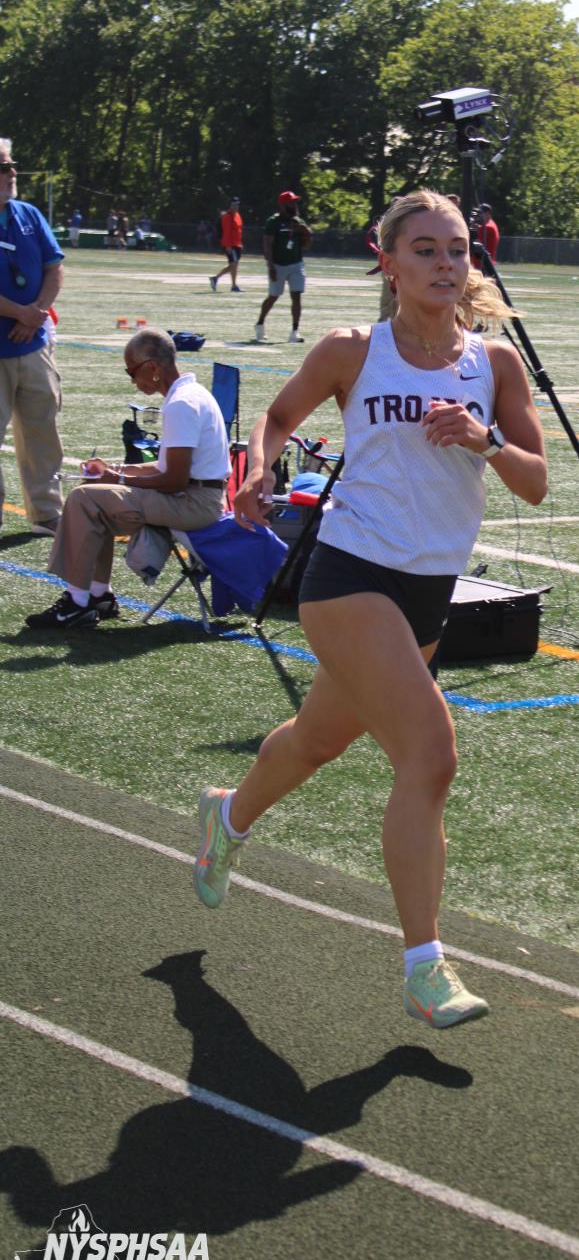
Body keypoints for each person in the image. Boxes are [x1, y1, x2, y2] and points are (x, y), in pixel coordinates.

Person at [194, 190, 548, 1029]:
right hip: (349, 576)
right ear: (387, 262)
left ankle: (227, 817)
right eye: (425, 249)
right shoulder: (354, 349)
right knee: (431, 756)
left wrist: (485, 439)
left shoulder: (495, 364)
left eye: (456, 249)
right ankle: (425, 967)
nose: (445, 264)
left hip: (428, 593)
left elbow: (535, 482)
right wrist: (258, 470)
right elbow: (278, 418)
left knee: (316, 741)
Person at [24, 327, 229, 629]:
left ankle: (77, 602)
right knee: (92, 491)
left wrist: (118, 480)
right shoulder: (190, 395)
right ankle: (98, 595)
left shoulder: (181, 404)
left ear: (153, 368)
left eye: (132, 371)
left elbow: (173, 481)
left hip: (194, 503)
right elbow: (166, 468)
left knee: (83, 498)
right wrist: (113, 470)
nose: (133, 380)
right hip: (199, 497)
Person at [0, 138, 65, 537]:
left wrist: (36, 311)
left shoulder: (28, 214)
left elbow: (54, 268)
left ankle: (45, 512)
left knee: (43, 429)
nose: (12, 172)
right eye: (4, 167)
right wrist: (18, 312)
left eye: (11, 165)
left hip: (34, 343)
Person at [256, 191, 312, 343]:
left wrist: (306, 233)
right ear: (282, 205)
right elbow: (267, 245)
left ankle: (294, 331)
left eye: (294, 202)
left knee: (297, 296)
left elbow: (306, 246)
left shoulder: (298, 222)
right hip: (278, 264)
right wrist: (271, 266)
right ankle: (260, 323)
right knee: (273, 296)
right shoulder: (273, 222)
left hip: (296, 264)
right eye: (290, 202)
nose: (293, 205)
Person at [210, 198, 243, 293]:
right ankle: (234, 286)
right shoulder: (227, 217)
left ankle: (215, 279)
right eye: (235, 205)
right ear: (231, 205)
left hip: (237, 244)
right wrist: (228, 246)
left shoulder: (238, 215)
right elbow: (226, 232)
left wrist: (240, 244)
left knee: (233, 265)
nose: (236, 206)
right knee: (234, 264)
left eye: (238, 205)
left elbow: (239, 230)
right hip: (230, 244)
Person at [474, 203, 500, 267]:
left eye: (480, 213)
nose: (478, 215)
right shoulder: (492, 224)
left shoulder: (487, 227)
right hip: (487, 263)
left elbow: (475, 245)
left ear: (487, 213)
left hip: (481, 264)